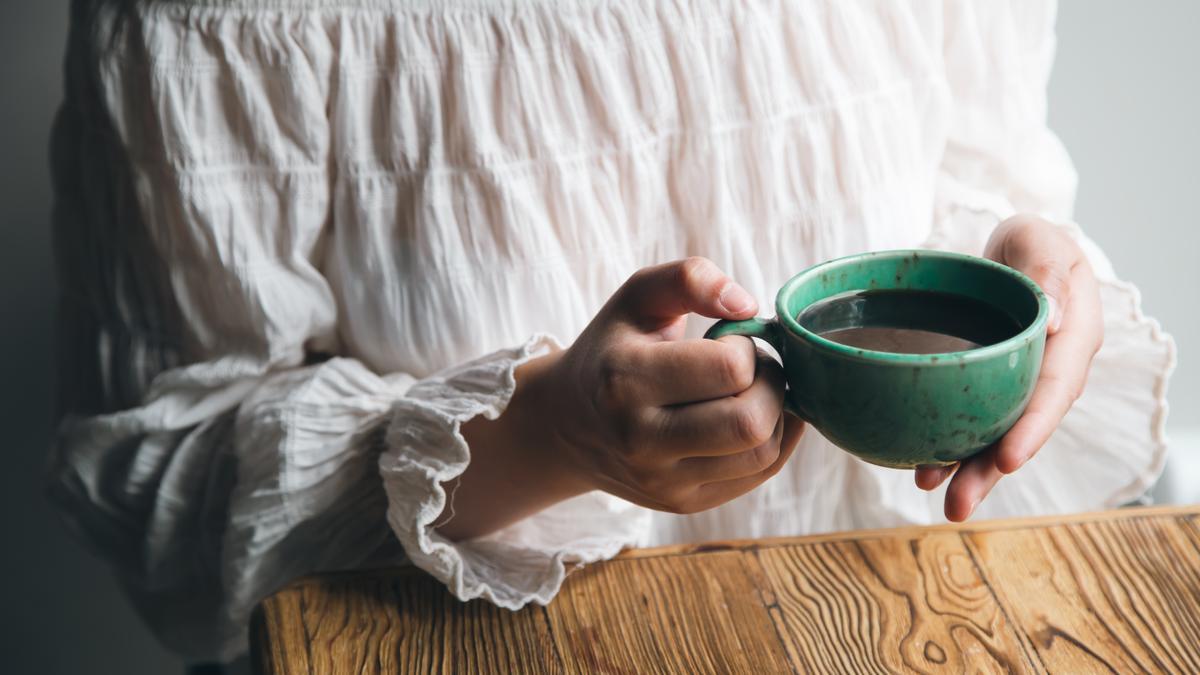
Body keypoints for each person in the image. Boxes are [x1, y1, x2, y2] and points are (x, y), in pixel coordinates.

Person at [49, 0, 1174, 664]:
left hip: (896, 624)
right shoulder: (225, 30)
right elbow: (165, 484)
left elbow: (977, 183)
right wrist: (541, 438)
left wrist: (1031, 262)